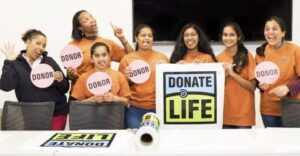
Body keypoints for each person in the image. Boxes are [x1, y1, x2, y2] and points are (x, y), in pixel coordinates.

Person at [0, 29, 69, 130]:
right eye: (38, 43)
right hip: (30, 115)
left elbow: (65, 88)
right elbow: (5, 86)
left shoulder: (49, 61)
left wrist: (61, 80)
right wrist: (9, 62)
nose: (41, 48)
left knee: (52, 144)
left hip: (56, 113)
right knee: (35, 143)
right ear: (28, 42)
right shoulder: (16, 63)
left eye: (44, 45)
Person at [67, 10, 134, 96]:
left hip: (105, 93)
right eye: (86, 20)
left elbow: (132, 57)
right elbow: (69, 76)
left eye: (91, 16)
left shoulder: (107, 43)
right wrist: (71, 75)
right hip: (82, 95)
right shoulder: (73, 46)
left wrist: (122, 38)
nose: (91, 20)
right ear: (80, 27)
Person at [118, 24, 169, 128]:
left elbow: (169, 85)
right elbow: (121, 88)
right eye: (143, 35)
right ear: (136, 38)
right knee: (134, 137)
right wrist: (125, 77)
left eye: (150, 36)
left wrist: (167, 68)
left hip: (158, 107)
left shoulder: (162, 58)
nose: (146, 38)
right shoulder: (127, 59)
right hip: (134, 108)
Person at [256, 16, 300, 127]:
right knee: (271, 143)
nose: (270, 32)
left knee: (291, 143)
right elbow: (257, 79)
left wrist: (288, 88)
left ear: (283, 33)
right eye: (267, 29)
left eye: (274, 28)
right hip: (268, 109)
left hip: (292, 107)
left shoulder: (295, 50)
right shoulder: (260, 52)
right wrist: (259, 85)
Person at [216, 22, 256, 129]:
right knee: (226, 146)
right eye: (225, 35)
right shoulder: (218, 58)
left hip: (244, 114)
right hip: (224, 114)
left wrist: (233, 74)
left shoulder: (247, 56)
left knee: (244, 146)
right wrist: (224, 74)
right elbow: (214, 86)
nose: (228, 38)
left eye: (232, 35)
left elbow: (252, 87)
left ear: (238, 37)